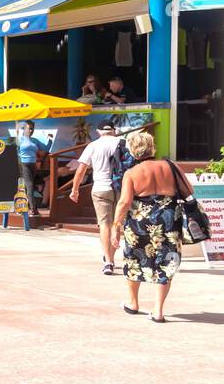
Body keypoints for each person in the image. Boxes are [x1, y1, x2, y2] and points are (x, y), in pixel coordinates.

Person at [113, 131, 185, 322]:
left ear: (132, 151)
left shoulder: (131, 173)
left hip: (139, 222)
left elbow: (124, 202)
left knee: (134, 260)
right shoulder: (171, 167)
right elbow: (188, 191)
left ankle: (133, 303)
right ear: (152, 147)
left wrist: (116, 225)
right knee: (166, 262)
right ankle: (158, 311)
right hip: (168, 220)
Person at [70, 122, 129, 275]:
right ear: (114, 131)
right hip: (121, 188)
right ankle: (112, 257)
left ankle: (108, 262)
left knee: (104, 224)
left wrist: (75, 190)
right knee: (116, 223)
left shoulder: (93, 146)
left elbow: (81, 170)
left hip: (100, 189)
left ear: (98, 131)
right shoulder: (123, 143)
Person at [16, 120, 49, 209]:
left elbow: (46, 148)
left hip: (33, 165)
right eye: (29, 128)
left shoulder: (34, 140)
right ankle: (33, 208)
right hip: (23, 164)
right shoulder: (19, 139)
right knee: (29, 185)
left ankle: (24, 205)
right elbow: (14, 151)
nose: (30, 130)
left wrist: (50, 140)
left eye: (32, 129)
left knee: (29, 185)